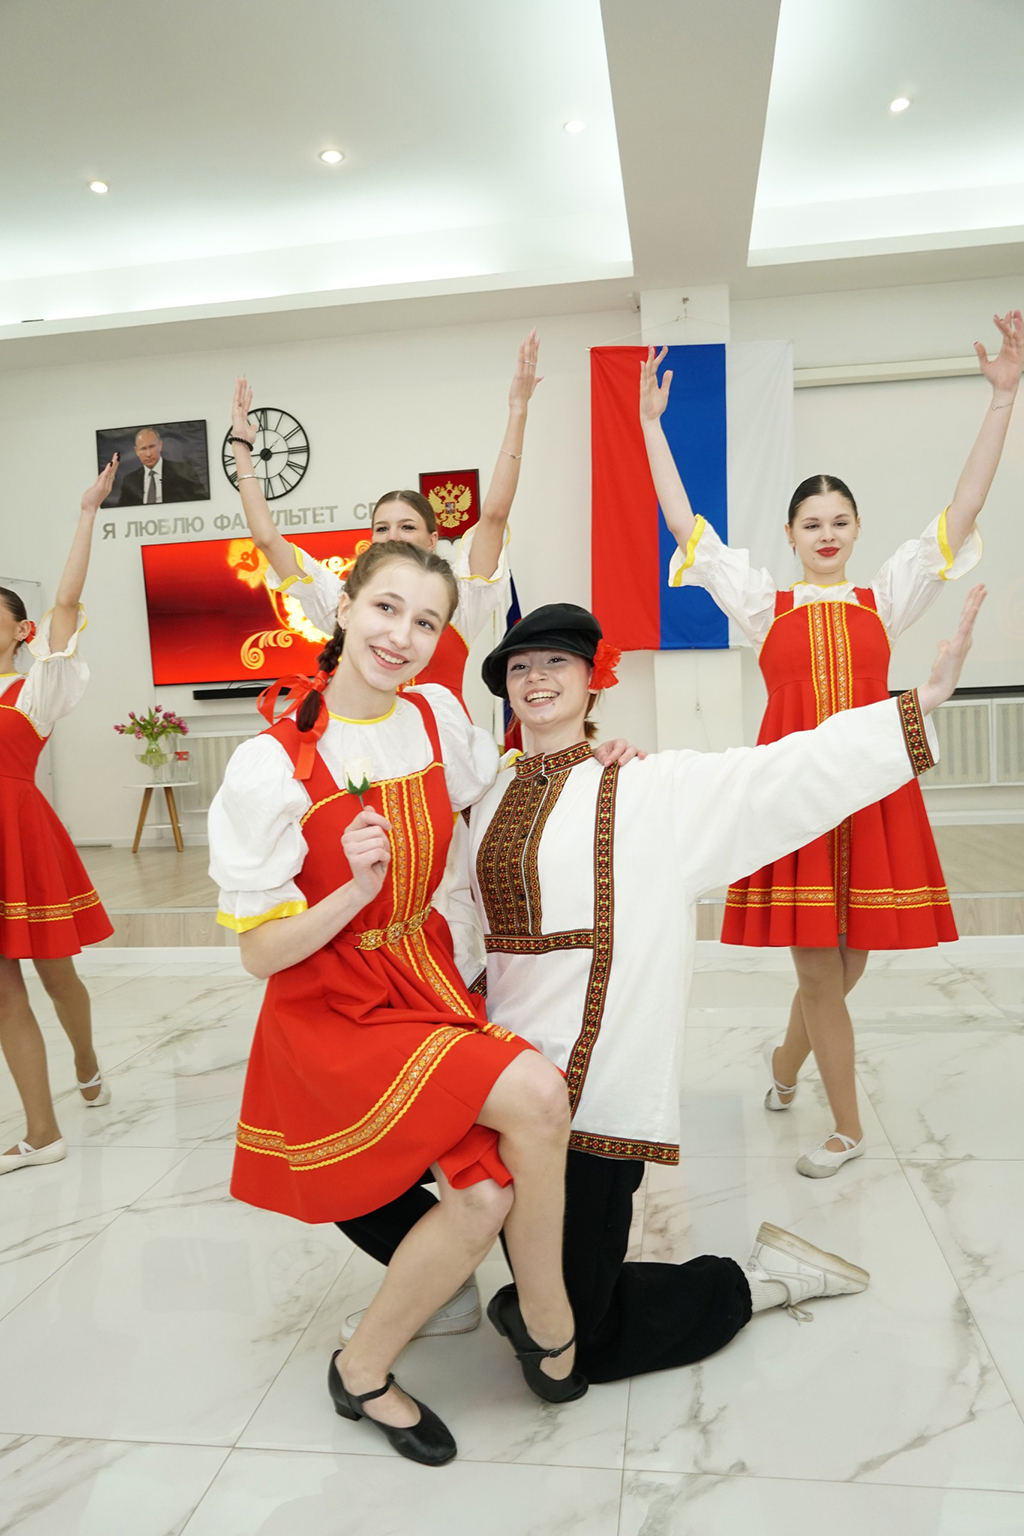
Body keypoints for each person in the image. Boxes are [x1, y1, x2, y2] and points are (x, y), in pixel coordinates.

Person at [335, 586, 984, 1383]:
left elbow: (779, 771)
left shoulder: (648, 788)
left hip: (594, 1094)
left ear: (593, 679)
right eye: (520, 667)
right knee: (340, 1151)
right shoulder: (484, 792)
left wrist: (917, 705)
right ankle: (447, 1285)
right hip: (493, 1073)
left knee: (574, 1354)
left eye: (557, 663)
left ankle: (753, 1280)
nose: (537, 678)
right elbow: (452, 904)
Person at [208, 540, 588, 1469]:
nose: (401, 636)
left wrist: (592, 755)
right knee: (538, 1101)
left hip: (421, 980)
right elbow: (259, 955)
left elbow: (501, 789)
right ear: (341, 607)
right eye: (385, 608)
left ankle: (365, 1366)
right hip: (331, 1007)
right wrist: (352, 890)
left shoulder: (434, 716)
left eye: (426, 621)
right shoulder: (270, 764)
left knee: (485, 1193)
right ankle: (549, 1323)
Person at [640, 309, 1022, 1177]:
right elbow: (685, 523)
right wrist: (653, 427)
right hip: (791, 800)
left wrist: (1004, 397)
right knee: (818, 971)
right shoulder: (760, 602)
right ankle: (847, 1128)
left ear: (854, 529)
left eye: (839, 519)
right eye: (810, 521)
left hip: (872, 792)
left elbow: (964, 507)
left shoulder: (884, 597)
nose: (825, 532)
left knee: (845, 966)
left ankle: (783, 1064)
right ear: (789, 535)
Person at [229, 331, 542, 711]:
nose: (393, 535)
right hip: (363, 739)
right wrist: (241, 447)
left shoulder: (459, 599)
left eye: (407, 526)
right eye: (382, 528)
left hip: (441, 740)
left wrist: (518, 410)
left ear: (432, 540)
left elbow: (494, 515)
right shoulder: (344, 599)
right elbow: (266, 539)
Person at [0, 461, 118, 1175]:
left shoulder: (34, 687)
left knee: (55, 975)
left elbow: (68, 601)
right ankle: (42, 1133)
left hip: (19, 837)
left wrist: (86, 514)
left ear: (22, 629)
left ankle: (86, 1057)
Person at [118, 426, 207, 505]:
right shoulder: (130, 481)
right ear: (137, 451)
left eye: (152, 447)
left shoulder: (182, 471)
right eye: (143, 449)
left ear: (160, 445)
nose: (148, 454)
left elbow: (202, 500)